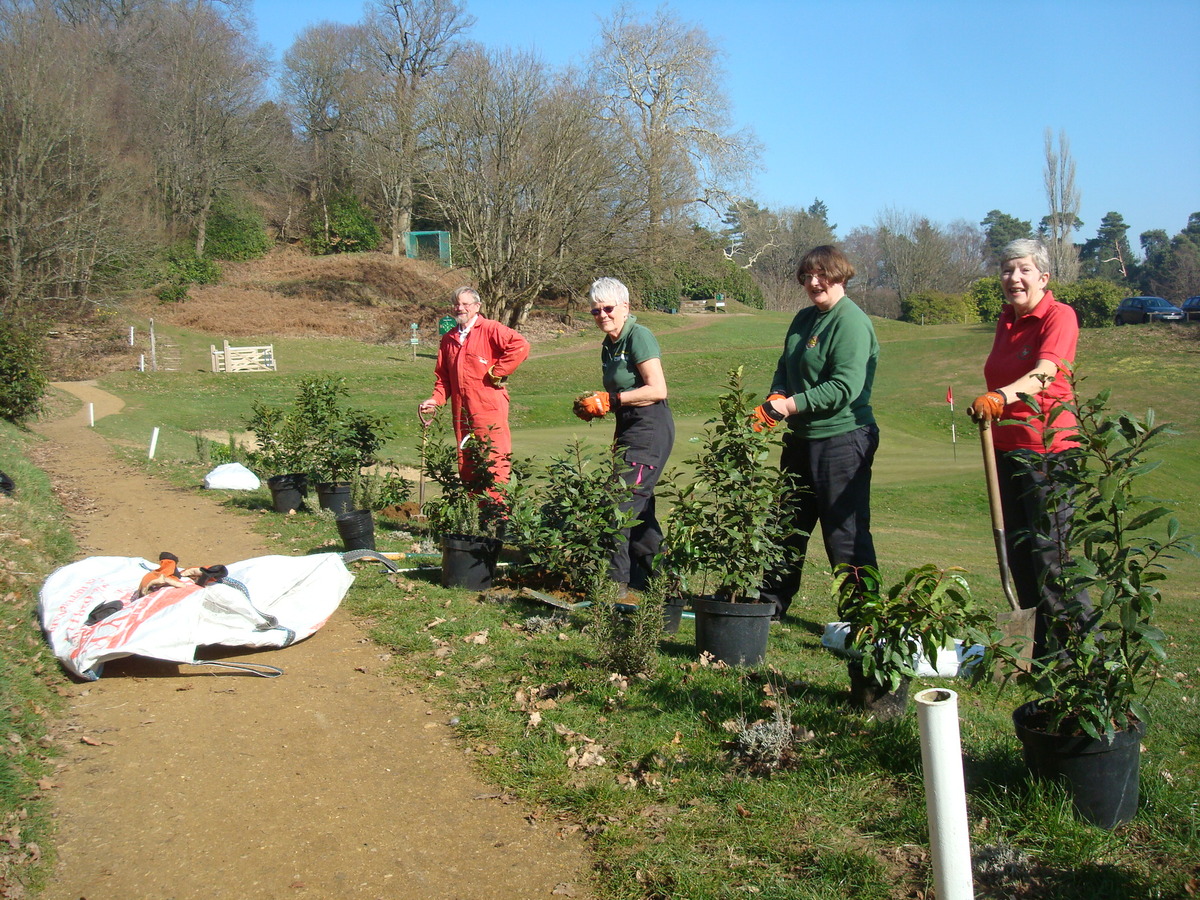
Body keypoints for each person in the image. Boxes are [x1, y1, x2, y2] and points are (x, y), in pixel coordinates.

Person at [967, 238, 1092, 658]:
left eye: (1022, 269)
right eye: (1006, 269)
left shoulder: (1060, 315)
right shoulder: (1006, 319)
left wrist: (1000, 395)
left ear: (1043, 276)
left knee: (1049, 553)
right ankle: (1036, 649)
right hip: (1005, 449)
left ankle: (1074, 653)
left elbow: (1044, 373)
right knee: (1020, 551)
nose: (1013, 278)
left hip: (1048, 452)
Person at [753, 245, 880, 621]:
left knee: (844, 533)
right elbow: (785, 365)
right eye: (807, 276)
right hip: (801, 439)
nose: (813, 282)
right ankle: (770, 605)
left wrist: (789, 406)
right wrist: (777, 394)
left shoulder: (851, 322)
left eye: (821, 274)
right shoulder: (804, 318)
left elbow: (844, 387)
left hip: (843, 439)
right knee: (786, 526)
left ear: (840, 274)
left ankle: (863, 618)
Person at [573, 277, 674, 597]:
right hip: (628, 426)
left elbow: (657, 389)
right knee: (639, 510)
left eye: (608, 308)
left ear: (625, 307)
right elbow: (616, 394)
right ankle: (660, 583)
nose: (602, 315)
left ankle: (614, 585)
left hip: (650, 426)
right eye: (595, 310)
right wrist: (597, 407)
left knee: (618, 504)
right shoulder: (609, 344)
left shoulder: (638, 336)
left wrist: (612, 400)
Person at [419, 287, 529, 485]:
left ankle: (498, 513)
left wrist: (498, 371)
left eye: (465, 304)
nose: (459, 308)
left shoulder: (490, 329)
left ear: (477, 306)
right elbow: (444, 378)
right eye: (456, 304)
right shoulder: (449, 339)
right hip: (461, 410)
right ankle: (473, 512)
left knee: (494, 461)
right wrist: (435, 400)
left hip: (488, 407)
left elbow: (520, 345)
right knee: (467, 462)